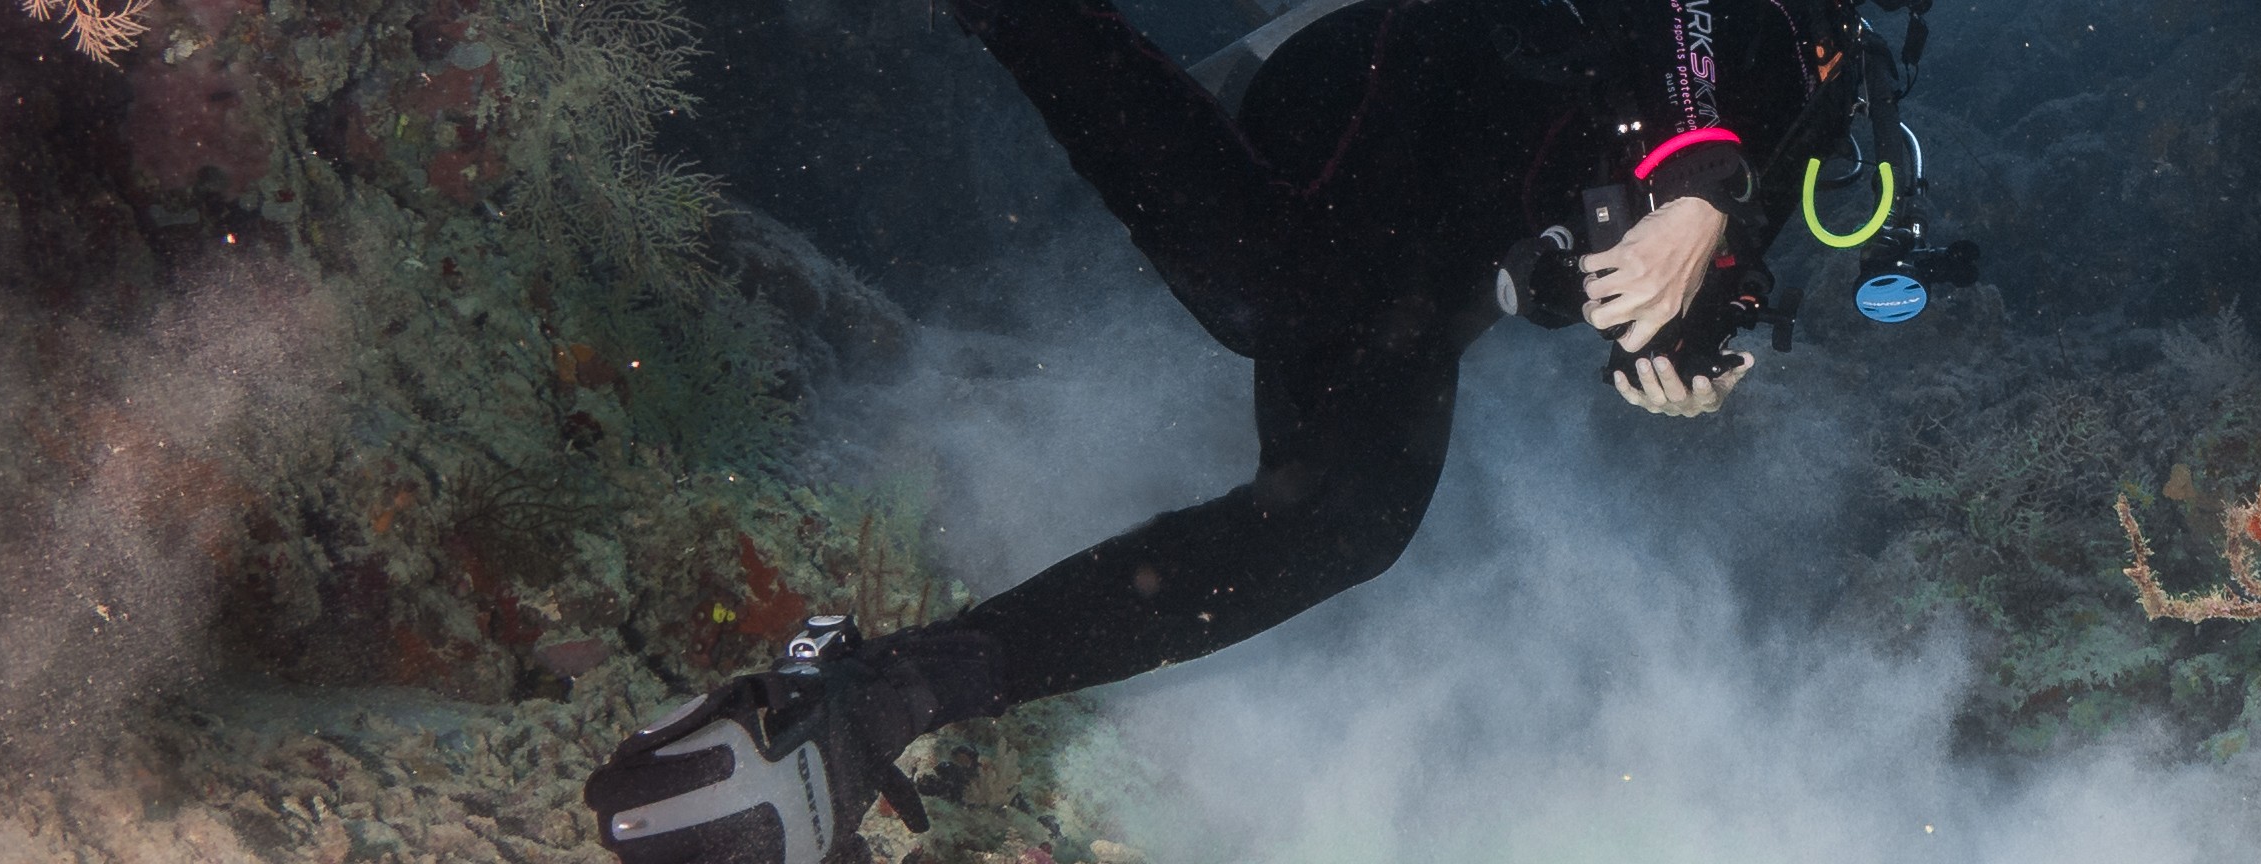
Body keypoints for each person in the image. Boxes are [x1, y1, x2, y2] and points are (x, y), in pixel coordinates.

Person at [582, 0, 1932, 860]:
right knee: (1276, 288)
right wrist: (1698, 167)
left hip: (1412, 281)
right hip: (1388, 82)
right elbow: (1686, 34)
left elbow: (1641, 266)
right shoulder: (1749, 40)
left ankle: (875, 704)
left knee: (1352, 519)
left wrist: (1683, 350)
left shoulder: (1808, 117)